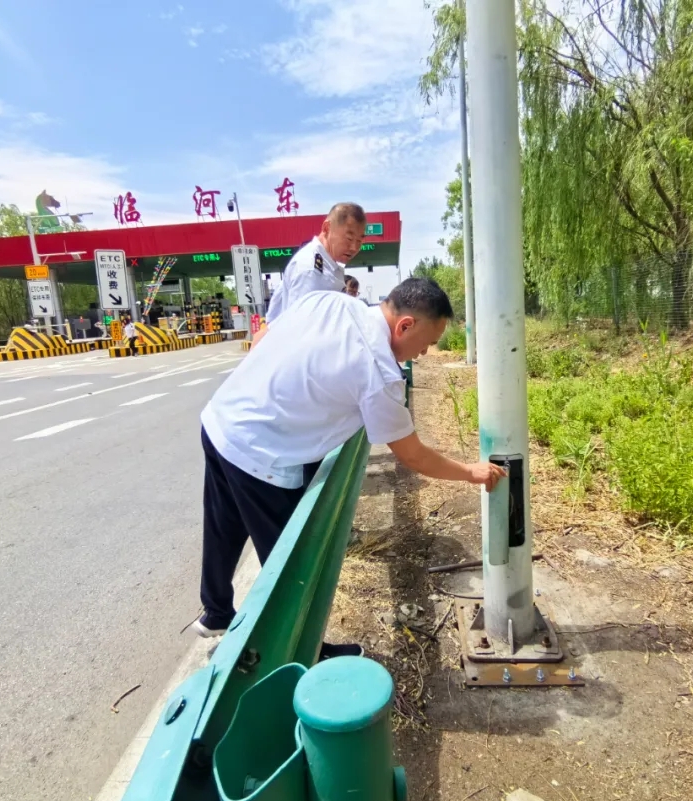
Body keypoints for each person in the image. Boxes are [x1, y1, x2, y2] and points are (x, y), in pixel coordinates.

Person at [195, 278, 507, 654]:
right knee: (293, 564)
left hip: (220, 420)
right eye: (426, 342)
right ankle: (306, 652)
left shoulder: (329, 302)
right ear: (404, 325)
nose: (423, 353)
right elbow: (412, 455)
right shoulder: (379, 372)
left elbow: (263, 338)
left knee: (223, 524)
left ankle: (216, 612)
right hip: (262, 454)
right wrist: (470, 471)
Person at [252, 202, 366, 348]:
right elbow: (302, 333)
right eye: (349, 239)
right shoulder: (310, 270)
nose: (354, 247)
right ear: (327, 228)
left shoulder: (325, 265)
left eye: (359, 240)